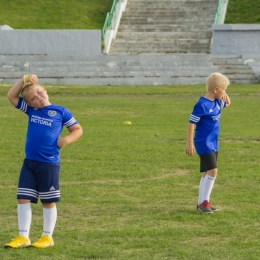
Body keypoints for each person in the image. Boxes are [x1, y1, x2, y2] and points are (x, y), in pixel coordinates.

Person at [5, 74, 83, 248]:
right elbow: (11, 96)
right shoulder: (32, 110)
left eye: (39, 92)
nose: (38, 97)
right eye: (33, 98)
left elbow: (77, 129)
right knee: (23, 199)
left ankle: (47, 237)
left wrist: (65, 140)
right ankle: (23, 237)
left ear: (45, 90)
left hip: (48, 164)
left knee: (48, 201)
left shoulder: (61, 111)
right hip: (29, 163)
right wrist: (24, 80)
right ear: (30, 103)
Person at [185, 72, 231, 213]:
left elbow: (228, 103)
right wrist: (189, 143)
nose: (225, 93)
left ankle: (202, 203)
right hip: (203, 142)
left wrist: (225, 94)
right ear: (216, 89)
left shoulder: (217, 102)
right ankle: (204, 203)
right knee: (213, 170)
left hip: (213, 143)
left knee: (206, 172)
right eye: (224, 89)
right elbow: (191, 123)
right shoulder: (202, 105)